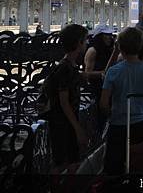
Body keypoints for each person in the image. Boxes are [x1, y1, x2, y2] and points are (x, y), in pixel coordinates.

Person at [100, 27, 143, 174]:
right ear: (140, 46)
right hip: (140, 125)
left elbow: (103, 104)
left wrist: (111, 114)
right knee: (138, 164)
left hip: (118, 125)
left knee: (112, 167)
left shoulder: (113, 71)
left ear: (120, 47)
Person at [46, 24, 89, 173]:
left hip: (66, 122)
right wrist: (78, 129)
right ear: (79, 43)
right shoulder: (65, 68)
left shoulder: (70, 65)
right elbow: (64, 102)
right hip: (62, 123)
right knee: (62, 164)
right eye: (85, 40)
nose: (87, 43)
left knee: (72, 161)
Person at [84, 24, 115, 99]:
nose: (110, 37)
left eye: (110, 35)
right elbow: (87, 74)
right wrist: (103, 73)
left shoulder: (109, 50)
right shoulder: (93, 51)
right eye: (107, 35)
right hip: (96, 88)